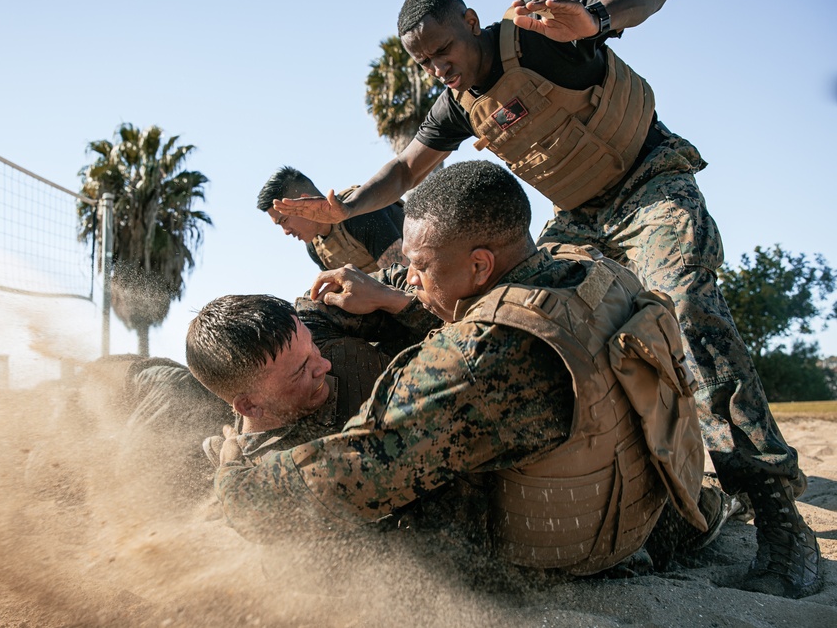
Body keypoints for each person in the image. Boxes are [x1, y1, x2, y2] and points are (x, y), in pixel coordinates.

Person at [272, 0, 821, 598]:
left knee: (688, 310)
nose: (437, 68)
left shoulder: (538, 38)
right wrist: (342, 210)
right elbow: (404, 170)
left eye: (443, 51)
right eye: (423, 62)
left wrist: (594, 20)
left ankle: (778, 517)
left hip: (648, 185)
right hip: (579, 219)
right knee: (510, 305)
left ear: (471, 21)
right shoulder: (457, 104)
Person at [210, 160, 721, 577]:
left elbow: (352, 475)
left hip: (572, 550)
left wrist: (236, 478)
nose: (409, 278)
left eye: (421, 266)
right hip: (646, 507)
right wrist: (399, 303)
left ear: (479, 265)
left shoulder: (474, 363)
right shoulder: (591, 271)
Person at [186, 293, 437, 462]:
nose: (324, 365)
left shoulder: (316, 318)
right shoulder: (271, 467)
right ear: (250, 406)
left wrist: (390, 297)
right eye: (300, 370)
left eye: (313, 348)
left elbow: (442, 294)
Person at [257, 166, 406, 273]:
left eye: (284, 220)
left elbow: (403, 278)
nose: (285, 232)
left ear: (304, 202)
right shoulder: (314, 246)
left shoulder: (358, 216)